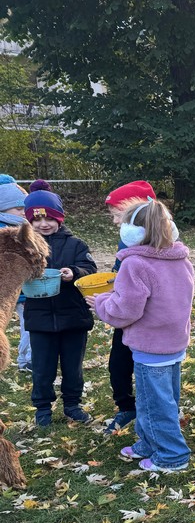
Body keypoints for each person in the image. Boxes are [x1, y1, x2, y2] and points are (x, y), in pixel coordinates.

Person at [90, 197, 194, 473]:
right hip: (173, 344)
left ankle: (173, 455)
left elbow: (125, 311)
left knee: (156, 404)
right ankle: (149, 443)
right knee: (157, 399)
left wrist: (101, 302)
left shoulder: (135, 265)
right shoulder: (181, 259)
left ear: (133, 232)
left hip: (151, 348)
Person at [22, 181, 97, 427]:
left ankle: (72, 404)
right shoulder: (24, 247)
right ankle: (43, 408)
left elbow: (89, 269)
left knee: (72, 366)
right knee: (42, 367)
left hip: (73, 316)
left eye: (50, 218)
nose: (44, 224)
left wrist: (73, 272)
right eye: (37, 220)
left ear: (59, 218)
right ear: (30, 221)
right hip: (39, 318)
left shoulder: (76, 244)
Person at [102, 181, 157, 433]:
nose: (115, 221)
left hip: (147, 321)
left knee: (150, 368)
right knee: (118, 363)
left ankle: (157, 410)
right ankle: (126, 406)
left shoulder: (155, 245)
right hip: (126, 316)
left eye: (118, 215)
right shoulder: (127, 241)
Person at [0, 175, 31, 371]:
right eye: (18, 208)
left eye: (24, 208)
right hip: (9, 290)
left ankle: (27, 358)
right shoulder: (8, 233)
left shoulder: (26, 228)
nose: (23, 212)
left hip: (25, 289)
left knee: (29, 324)